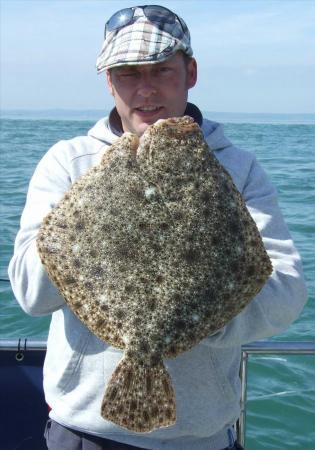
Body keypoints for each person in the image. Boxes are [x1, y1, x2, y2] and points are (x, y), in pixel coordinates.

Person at [8, 5, 307, 450]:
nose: (145, 89)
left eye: (162, 70)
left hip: (203, 436)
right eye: (127, 74)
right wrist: (88, 211)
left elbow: (286, 292)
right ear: (109, 81)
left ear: (191, 72)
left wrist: (196, 313)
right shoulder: (69, 164)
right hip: (83, 432)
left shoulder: (238, 170)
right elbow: (32, 296)